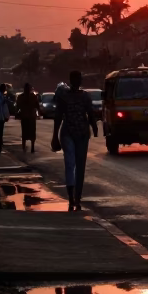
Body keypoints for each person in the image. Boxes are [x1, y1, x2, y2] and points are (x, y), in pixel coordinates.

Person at [51, 69, 97, 211]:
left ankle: (77, 197)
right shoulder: (64, 96)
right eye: (76, 79)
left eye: (79, 79)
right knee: (70, 164)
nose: (78, 81)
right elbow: (58, 116)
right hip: (68, 133)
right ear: (72, 80)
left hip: (82, 134)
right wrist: (54, 136)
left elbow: (90, 113)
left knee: (80, 166)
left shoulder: (85, 97)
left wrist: (94, 126)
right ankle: (71, 197)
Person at [16, 82, 38, 153]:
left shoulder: (21, 97)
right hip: (30, 117)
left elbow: (17, 107)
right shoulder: (33, 97)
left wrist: (17, 113)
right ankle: (31, 147)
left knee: (25, 132)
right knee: (31, 133)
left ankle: (25, 147)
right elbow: (37, 106)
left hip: (26, 117)